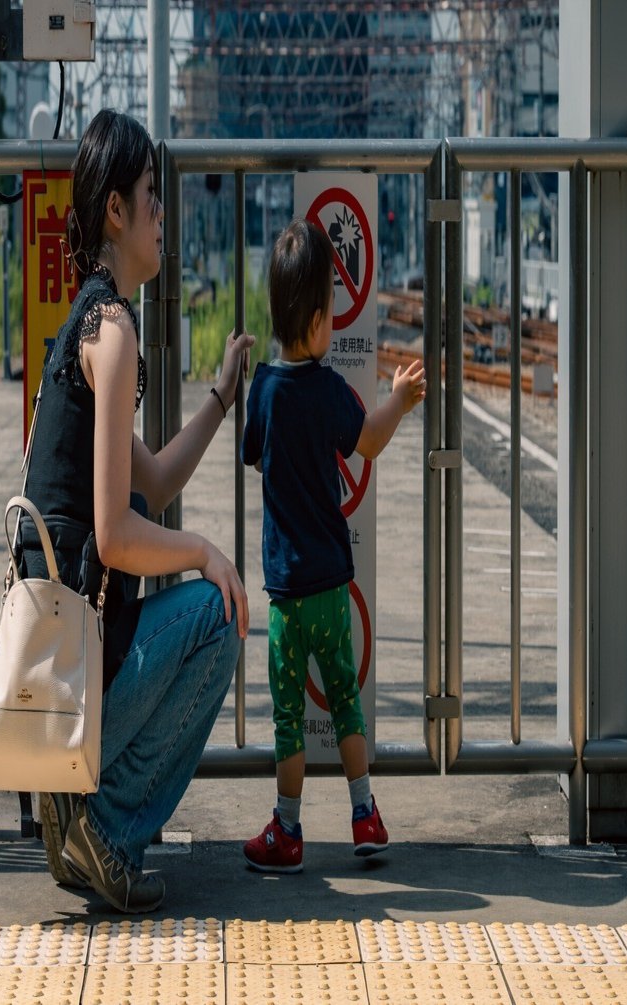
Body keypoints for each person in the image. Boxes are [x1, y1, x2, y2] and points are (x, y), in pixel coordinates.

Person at [22, 109, 253, 913]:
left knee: (204, 591)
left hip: (58, 663)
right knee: (218, 615)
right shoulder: (113, 332)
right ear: (114, 212)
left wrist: (221, 396)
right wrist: (204, 553)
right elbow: (118, 536)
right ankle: (103, 823)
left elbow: (146, 481)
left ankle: (81, 811)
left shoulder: (86, 321)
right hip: (80, 674)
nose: (162, 214)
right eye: (151, 196)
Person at [240, 218, 426, 873]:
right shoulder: (330, 391)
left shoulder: (264, 390)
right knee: (345, 698)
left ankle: (287, 829)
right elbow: (366, 441)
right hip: (330, 583)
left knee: (287, 716)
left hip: (286, 591)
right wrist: (397, 400)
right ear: (320, 322)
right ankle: (364, 811)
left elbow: (254, 456)